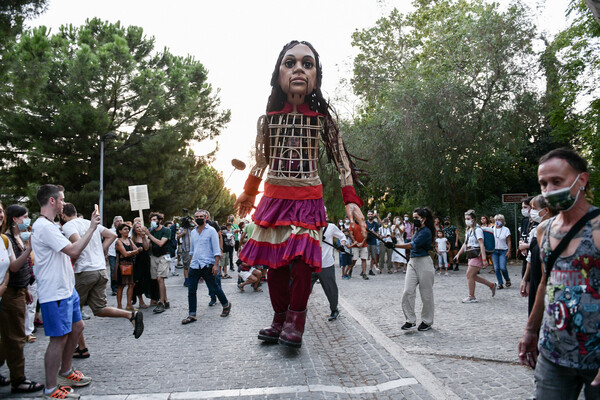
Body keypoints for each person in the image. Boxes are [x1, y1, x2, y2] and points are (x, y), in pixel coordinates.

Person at [234, 40, 366, 349]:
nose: (298, 69)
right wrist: (248, 193)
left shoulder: (323, 121)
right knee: (276, 263)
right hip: (274, 197)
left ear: (316, 77)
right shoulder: (267, 121)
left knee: (304, 260)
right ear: (278, 74)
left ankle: (296, 321)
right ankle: (279, 319)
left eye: (307, 64)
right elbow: (261, 161)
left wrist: (351, 200)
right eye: (290, 63)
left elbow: (341, 161)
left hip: (308, 197)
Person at [518, 148, 600, 398]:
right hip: (554, 354)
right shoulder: (544, 230)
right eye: (543, 183)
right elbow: (545, 282)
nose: (549, 190)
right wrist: (531, 330)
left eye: (557, 181)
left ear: (581, 180)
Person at [30, 185, 100, 399]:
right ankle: (51, 388)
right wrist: (92, 227)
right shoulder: (44, 227)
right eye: (61, 200)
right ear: (52, 201)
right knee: (58, 339)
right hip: (55, 292)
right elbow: (74, 250)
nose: (63, 203)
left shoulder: (50, 225)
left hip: (66, 289)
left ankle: (66, 371)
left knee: (77, 326)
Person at [62, 204, 144, 360]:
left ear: (63, 215)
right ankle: (131, 315)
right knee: (99, 308)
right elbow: (111, 235)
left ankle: (79, 348)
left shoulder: (68, 226)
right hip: (100, 270)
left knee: (72, 311)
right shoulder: (88, 222)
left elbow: (78, 245)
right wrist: (99, 250)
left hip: (84, 271)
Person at [0, 203, 43, 394]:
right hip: (9, 293)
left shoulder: (7, 239)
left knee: (8, 338)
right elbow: (13, 267)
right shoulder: (9, 238)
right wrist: (28, 248)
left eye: (0, 211)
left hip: (17, 290)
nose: (27, 220)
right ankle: (19, 379)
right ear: (15, 219)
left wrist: (26, 288)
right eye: (24, 216)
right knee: (16, 338)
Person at [181, 210, 231, 325]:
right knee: (191, 290)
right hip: (195, 265)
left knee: (214, 287)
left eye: (201, 216)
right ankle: (192, 314)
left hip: (207, 264)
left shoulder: (211, 231)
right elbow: (192, 250)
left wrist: (216, 265)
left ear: (205, 218)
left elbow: (216, 248)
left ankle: (226, 304)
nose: (199, 218)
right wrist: (190, 264)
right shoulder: (193, 232)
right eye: (197, 216)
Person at [393, 207, 435, 331]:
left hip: (424, 263)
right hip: (412, 261)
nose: (414, 220)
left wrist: (394, 245)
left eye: (416, 218)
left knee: (426, 294)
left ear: (424, 219)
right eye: (413, 218)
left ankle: (427, 321)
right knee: (407, 291)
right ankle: (410, 320)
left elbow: (412, 245)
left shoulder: (426, 232)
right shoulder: (417, 230)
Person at [519, 195, 554, 315]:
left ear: (546, 210)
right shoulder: (536, 230)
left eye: (534, 208)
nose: (531, 212)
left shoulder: (556, 231)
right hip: (535, 279)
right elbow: (530, 258)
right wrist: (525, 279)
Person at [454, 210, 497, 303]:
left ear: (473, 219)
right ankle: (492, 285)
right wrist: (458, 254)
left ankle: (471, 296)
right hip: (471, 254)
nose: (467, 220)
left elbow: (482, 244)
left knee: (469, 274)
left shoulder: (478, 230)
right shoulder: (469, 230)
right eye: (465, 219)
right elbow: (465, 244)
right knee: (473, 276)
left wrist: (484, 259)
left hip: (477, 254)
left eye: (468, 219)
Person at [313, 212, 346, 321]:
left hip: (326, 263)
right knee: (302, 288)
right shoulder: (309, 226)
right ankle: (298, 310)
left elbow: (342, 236)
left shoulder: (331, 227)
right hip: (311, 264)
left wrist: (342, 244)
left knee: (330, 288)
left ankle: (334, 309)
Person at [144, 212, 171, 314]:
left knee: (160, 278)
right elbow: (146, 247)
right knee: (158, 280)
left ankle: (161, 302)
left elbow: (160, 243)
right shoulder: (151, 231)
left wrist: (149, 235)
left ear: (160, 221)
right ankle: (166, 300)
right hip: (154, 256)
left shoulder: (166, 230)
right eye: (151, 220)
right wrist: (144, 236)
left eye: (155, 220)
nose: (152, 222)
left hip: (164, 256)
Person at [114, 224, 141, 311]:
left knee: (131, 284)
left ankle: (129, 304)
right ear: (120, 231)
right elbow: (125, 253)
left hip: (130, 264)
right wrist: (133, 252)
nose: (127, 231)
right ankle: (119, 306)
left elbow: (138, 250)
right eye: (125, 229)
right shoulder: (118, 241)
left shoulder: (129, 240)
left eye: (128, 229)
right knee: (121, 285)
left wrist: (131, 252)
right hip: (122, 266)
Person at [491, 214, 511, 289]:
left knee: (503, 267)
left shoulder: (506, 229)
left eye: (499, 220)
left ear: (503, 221)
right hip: (494, 251)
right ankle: (500, 283)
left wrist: (509, 251)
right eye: (496, 220)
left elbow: (509, 241)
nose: (497, 221)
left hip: (503, 250)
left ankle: (507, 279)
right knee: (496, 268)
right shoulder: (492, 228)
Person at [107, 216, 123, 296]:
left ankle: (121, 286)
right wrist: (106, 253)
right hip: (112, 254)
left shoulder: (125, 231)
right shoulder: (110, 231)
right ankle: (114, 288)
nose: (119, 222)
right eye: (117, 221)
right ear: (114, 222)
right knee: (114, 271)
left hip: (122, 253)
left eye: (121, 220)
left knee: (122, 270)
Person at [365, 210, 381, 275]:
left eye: (371, 214)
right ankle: (363, 270)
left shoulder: (375, 224)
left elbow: (377, 234)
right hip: (366, 241)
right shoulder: (365, 223)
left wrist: (373, 232)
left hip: (373, 241)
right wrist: (367, 232)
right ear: (367, 215)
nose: (370, 215)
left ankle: (370, 270)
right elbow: (362, 232)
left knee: (373, 257)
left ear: (373, 215)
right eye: (369, 214)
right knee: (365, 257)